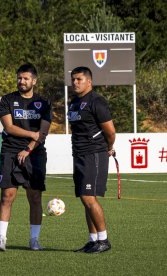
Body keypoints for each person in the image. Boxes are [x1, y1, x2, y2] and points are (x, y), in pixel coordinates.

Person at [0, 63, 52, 251]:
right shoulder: (7, 100)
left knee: (34, 197)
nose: (22, 81)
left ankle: (34, 240)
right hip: (10, 151)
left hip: (34, 154)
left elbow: (42, 132)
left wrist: (29, 148)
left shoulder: (44, 103)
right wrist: (30, 134)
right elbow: (9, 127)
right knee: (7, 196)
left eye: (26, 78)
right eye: (19, 78)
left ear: (34, 80)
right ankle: (1, 239)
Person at [67, 66, 116, 254]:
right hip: (79, 154)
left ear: (89, 81)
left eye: (79, 79)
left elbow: (110, 131)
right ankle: (93, 240)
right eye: (73, 79)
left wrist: (108, 147)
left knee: (88, 197)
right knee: (85, 198)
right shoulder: (74, 102)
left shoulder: (97, 101)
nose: (75, 83)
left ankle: (104, 240)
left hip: (93, 154)